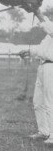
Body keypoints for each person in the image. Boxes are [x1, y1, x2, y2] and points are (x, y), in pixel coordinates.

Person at [19, 15, 53, 145]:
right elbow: (41, 49)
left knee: (50, 102)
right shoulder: (49, 35)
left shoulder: (51, 29)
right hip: (43, 66)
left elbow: (49, 28)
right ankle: (44, 131)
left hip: (51, 67)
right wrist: (28, 51)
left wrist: (40, 15)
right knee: (38, 101)